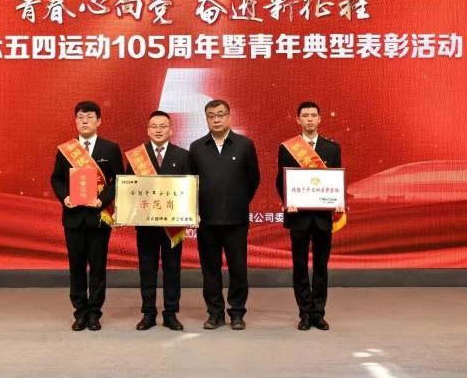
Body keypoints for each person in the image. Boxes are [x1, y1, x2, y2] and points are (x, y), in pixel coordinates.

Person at [50, 100, 123, 331]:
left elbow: (118, 180)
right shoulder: (66, 150)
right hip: (73, 217)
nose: (84, 121)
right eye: (80, 117)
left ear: (99, 121)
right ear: (75, 121)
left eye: (90, 117)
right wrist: (65, 197)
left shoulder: (110, 148)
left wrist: (103, 200)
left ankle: (94, 313)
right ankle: (80, 312)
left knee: (98, 267)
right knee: (77, 266)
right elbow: (56, 179)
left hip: (99, 217)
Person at [189, 99, 260, 330]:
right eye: (211, 116)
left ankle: (237, 313)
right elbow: (191, 183)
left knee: (238, 269)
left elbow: (253, 179)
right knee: (210, 271)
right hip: (207, 220)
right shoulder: (197, 147)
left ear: (229, 117)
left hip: (236, 220)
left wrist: (238, 201)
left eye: (220, 115)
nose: (216, 120)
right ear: (206, 119)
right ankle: (215, 314)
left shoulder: (244, 145)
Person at [276, 101, 342, 331]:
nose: (310, 119)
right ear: (298, 120)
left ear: (320, 119)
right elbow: (281, 181)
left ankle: (318, 313)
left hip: (323, 217)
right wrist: (289, 201)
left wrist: (337, 202)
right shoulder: (288, 148)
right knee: (300, 266)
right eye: (305, 116)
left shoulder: (332, 148)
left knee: (321, 267)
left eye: (314, 115)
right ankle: (304, 313)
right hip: (299, 217)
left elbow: (336, 180)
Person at [124, 110, 190, 331]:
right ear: (148, 130)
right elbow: (128, 189)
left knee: (173, 269)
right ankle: (148, 313)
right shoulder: (137, 157)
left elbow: (191, 188)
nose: (158, 130)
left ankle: (171, 313)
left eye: (163, 126)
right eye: (154, 126)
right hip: (146, 225)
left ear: (170, 130)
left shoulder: (183, 155)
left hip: (173, 225)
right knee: (147, 269)